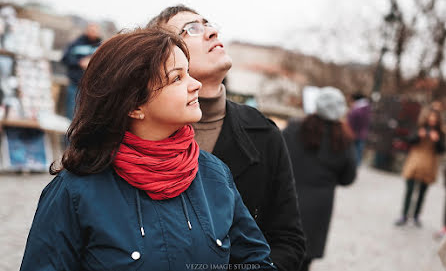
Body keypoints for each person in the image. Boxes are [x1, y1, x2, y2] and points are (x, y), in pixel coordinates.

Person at [20, 28, 277, 270]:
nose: (195, 84)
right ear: (134, 106)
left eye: (188, 72)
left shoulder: (215, 175)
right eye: (177, 78)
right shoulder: (74, 192)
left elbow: (255, 261)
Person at [148, 5, 306, 271]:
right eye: (192, 29)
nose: (210, 32)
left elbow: (288, 241)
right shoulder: (139, 131)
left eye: (208, 24)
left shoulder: (264, 134)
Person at [282, 87, 357, 271]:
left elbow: (276, 159)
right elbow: (348, 178)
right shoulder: (344, 140)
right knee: (303, 260)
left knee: (278, 254)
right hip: (319, 208)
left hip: (287, 199)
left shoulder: (294, 129)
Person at [395, 108, 445, 227]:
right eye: (430, 117)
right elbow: (409, 141)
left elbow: (442, 150)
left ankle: (416, 216)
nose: (432, 120)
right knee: (409, 190)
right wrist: (418, 136)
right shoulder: (419, 128)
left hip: (429, 163)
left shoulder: (440, 133)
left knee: (422, 193)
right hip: (415, 161)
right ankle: (404, 215)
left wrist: (437, 140)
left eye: (435, 118)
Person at [61, 23, 102, 120]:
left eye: (95, 30)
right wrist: (79, 63)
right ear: (86, 30)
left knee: (88, 117)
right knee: (71, 115)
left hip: (94, 88)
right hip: (75, 85)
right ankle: (68, 135)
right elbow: (65, 59)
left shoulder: (101, 46)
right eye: (91, 30)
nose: (93, 32)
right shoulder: (76, 43)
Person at [347, 92, 371, 165]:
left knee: (354, 153)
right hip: (362, 133)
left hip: (354, 133)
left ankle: (353, 166)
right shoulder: (367, 108)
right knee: (358, 152)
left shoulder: (358, 109)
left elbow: (352, 121)